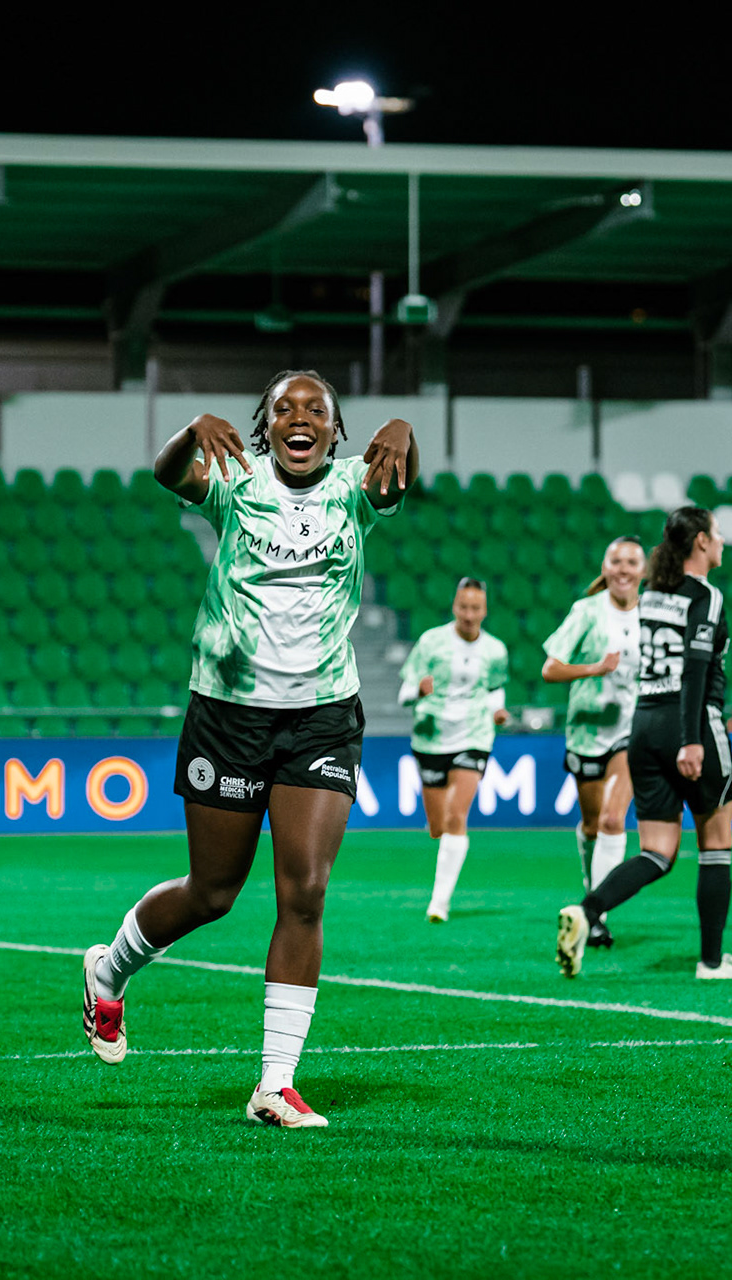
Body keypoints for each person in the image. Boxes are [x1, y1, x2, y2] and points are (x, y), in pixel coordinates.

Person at [80, 369, 414, 1129]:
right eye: (284, 409)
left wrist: (406, 433)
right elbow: (167, 473)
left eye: (316, 410)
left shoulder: (354, 489)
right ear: (264, 428)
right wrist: (190, 433)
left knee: (305, 892)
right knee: (213, 893)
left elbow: (396, 479)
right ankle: (109, 970)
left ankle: (275, 1082)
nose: (300, 418)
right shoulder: (236, 483)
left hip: (322, 716)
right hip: (228, 713)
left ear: (335, 429)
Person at [556, 506, 732, 980]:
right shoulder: (705, 595)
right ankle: (711, 962)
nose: (722, 542)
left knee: (657, 852)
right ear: (701, 542)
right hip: (693, 723)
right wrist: (691, 741)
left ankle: (587, 911)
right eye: (717, 534)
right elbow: (696, 669)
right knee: (716, 843)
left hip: (643, 725)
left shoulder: (651, 596)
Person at [541, 536, 644, 949]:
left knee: (613, 821)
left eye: (631, 562)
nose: (623, 569)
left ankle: (594, 914)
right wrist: (595, 669)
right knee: (591, 825)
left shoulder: (652, 615)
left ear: (643, 570)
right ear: (605, 567)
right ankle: (592, 894)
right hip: (586, 731)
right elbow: (550, 669)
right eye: (616, 561)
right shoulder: (587, 611)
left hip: (631, 731)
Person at [399, 578, 511, 923]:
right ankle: (441, 884)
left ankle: (439, 904)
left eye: (475, 608)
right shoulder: (431, 642)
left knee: (455, 818)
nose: (469, 614)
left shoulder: (495, 650)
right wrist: (418, 691)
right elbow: (404, 694)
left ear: (485, 610)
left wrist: (497, 710)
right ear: (454, 607)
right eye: (464, 607)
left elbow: (495, 688)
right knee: (438, 827)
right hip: (431, 737)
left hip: (474, 734)